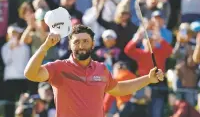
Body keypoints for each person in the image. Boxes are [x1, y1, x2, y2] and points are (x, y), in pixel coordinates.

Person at [24, 24, 164, 117]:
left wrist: (148, 79)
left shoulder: (101, 69)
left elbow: (119, 89)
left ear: (93, 45)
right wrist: (45, 47)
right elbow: (30, 74)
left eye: (85, 41)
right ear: (70, 46)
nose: (81, 45)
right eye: (76, 42)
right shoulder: (58, 67)